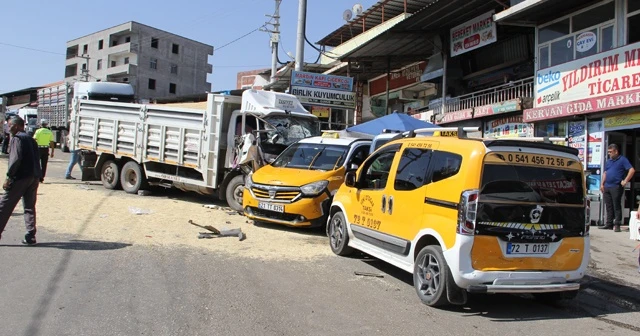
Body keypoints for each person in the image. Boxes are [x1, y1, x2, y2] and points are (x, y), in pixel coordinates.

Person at [0, 116, 42, 245]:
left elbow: (15, 159)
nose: (8, 127)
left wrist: (9, 177)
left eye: (9, 125)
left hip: (21, 177)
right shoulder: (30, 138)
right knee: (29, 207)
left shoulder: (17, 139)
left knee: (4, 206)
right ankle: (31, 235)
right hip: (33, 177)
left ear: (16, 126)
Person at [600, 143, 635, 232]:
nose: (609, 154)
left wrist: (625, 180)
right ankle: (609, 224)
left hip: (616, 186)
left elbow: (631, 170)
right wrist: (602, 184)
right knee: (608, 206)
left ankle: (617, 225)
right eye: (608, 152)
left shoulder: (623, 160)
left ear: (616, 151)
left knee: (616, 205)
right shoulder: (609, 161)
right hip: (607, 186)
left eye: (610, 152)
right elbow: (605, 173)